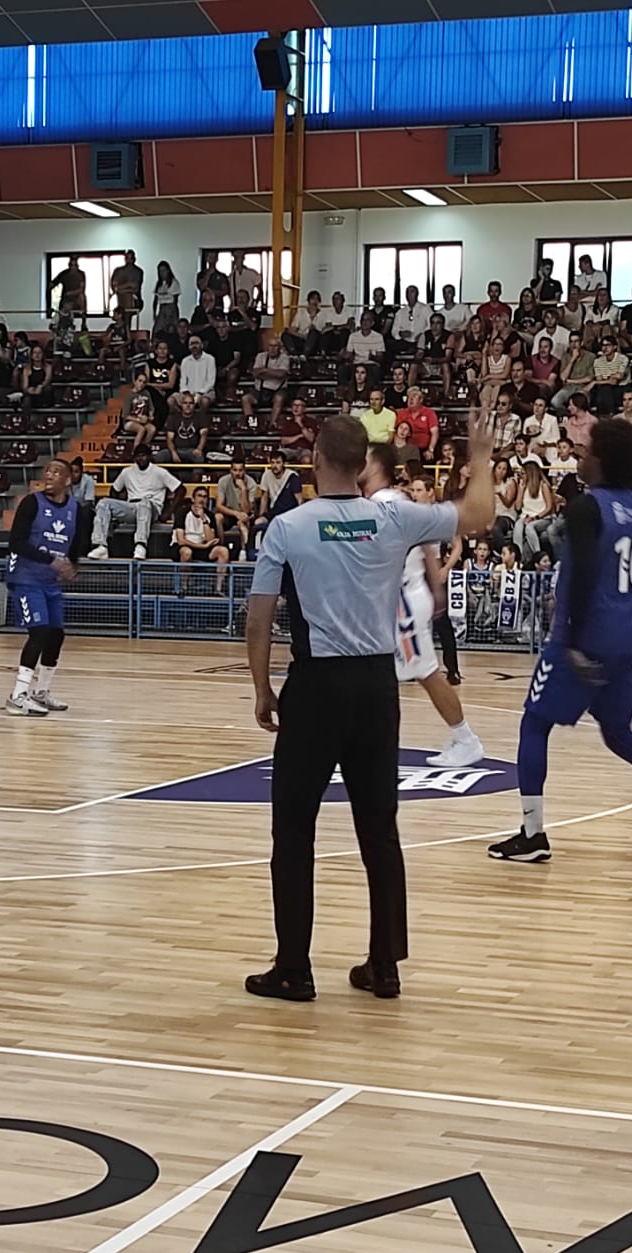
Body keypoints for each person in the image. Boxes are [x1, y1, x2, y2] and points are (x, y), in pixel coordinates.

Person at [242, 409, 498, 1003]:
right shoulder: (393, 515)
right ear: (362, 467)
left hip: (316, 687)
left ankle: (293, 968)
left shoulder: (288, 526)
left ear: (317, 460)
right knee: (379, 830)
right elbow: (480, 514)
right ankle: (384, 965)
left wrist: (261, 687)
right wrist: (480, 458)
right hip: (376, 688)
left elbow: (259, 617)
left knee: (293, 832)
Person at [489, 417, 632, 866]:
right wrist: (621, 605)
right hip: (624, 638)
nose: (581, 454)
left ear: (602, 460)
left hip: (581, 638)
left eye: (587, 450)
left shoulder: (586, 507)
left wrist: (573, 642)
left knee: (534, 724)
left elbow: (582, 581)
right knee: (617, 732)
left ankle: (532, 834)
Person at [368, 445, 483, 767]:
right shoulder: (397, 502)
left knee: (426, 672)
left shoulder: (386, 504)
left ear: (376, 465)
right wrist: (435, 589)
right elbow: (428, 549)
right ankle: (366, 744)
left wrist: (434, 590)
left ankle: (465, 740)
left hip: (404, 598)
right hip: (404, 596)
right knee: (384, 674)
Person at [3, 458, 89, 715]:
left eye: (56, 472)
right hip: (26, 577)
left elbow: (74, 545)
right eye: (47, 471)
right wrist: (52, 560)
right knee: (39, 632)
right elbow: (16, 543)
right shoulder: (31, 503)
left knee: (56, 635)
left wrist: (73, 565)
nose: (49, 475)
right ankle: (18, 696)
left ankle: (41, 692)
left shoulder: (76, 509)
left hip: (50, 581)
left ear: (68, 480)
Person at [91, 445, 179, 559]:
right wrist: (120, 504)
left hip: (152, 508)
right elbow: (114, 489)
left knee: (144, 503)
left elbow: (180, 489)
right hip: (131, 506)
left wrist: (168, 512)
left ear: (149, 457)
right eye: (138, 456)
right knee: (103, 503)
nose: (140, 459)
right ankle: (100, 546)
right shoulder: (127, 471)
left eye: (143, 456)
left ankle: (140, 545)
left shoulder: (159, 472)